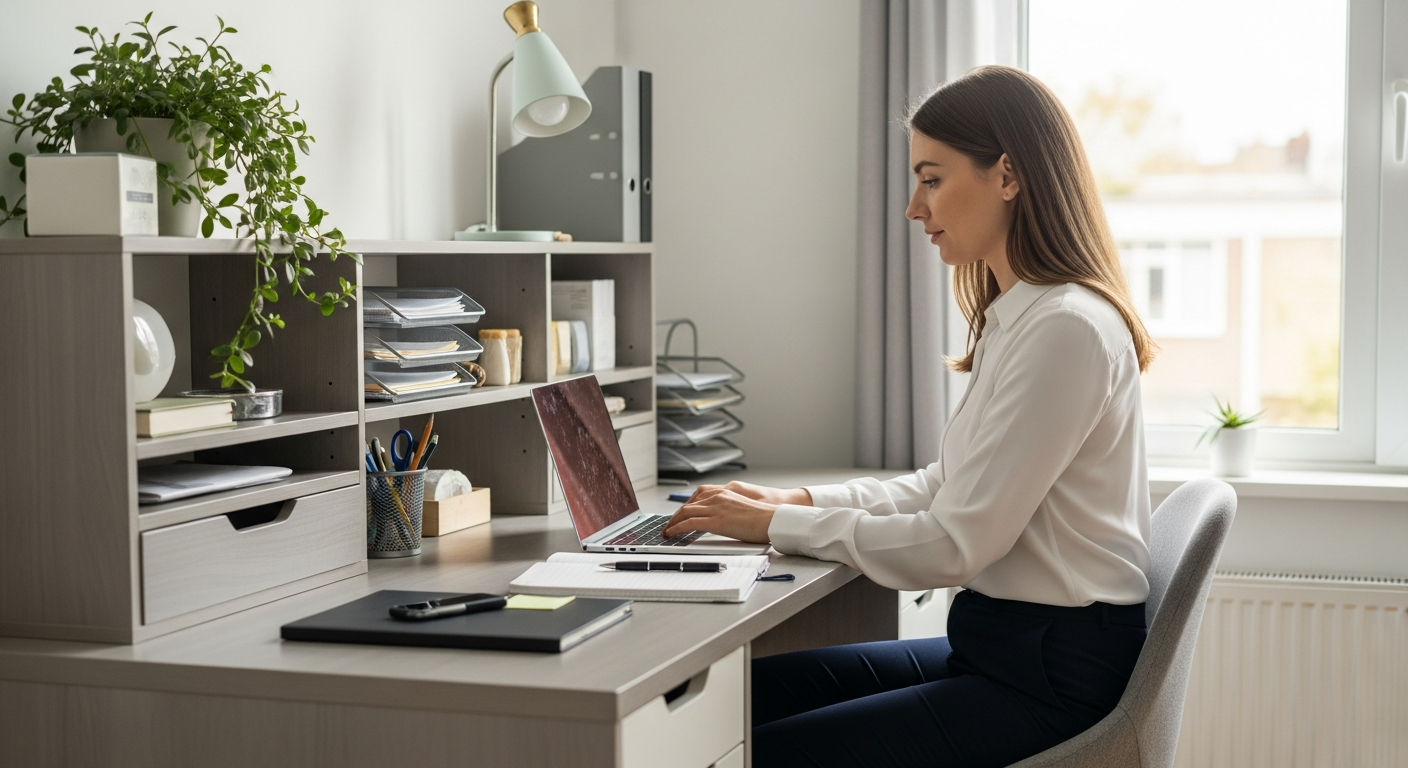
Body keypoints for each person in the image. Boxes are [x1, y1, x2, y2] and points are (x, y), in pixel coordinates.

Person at [662, 65, 1158, 768]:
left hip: (1047, 676)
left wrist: (777, 525)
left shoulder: (1066, 329)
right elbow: (944, 484)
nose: (912, 209)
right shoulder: (1019, 317)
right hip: (1003, 646)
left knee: (746, 750)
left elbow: (953, 546)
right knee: (743, 699)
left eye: (931, 178)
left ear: (1008, 176)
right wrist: (792, 500)